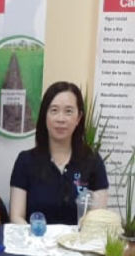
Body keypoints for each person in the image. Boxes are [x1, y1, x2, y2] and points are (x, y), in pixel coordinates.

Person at [9, 82, 109, 225]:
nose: (61, 119)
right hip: (36, 243)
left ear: (78, 118)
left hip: (78, 244)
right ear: (45, 116)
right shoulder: (25, 161)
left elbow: (98, 220)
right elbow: (16, 217)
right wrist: (37, 242)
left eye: (68, 111)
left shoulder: (92, 161)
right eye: (54, 110)